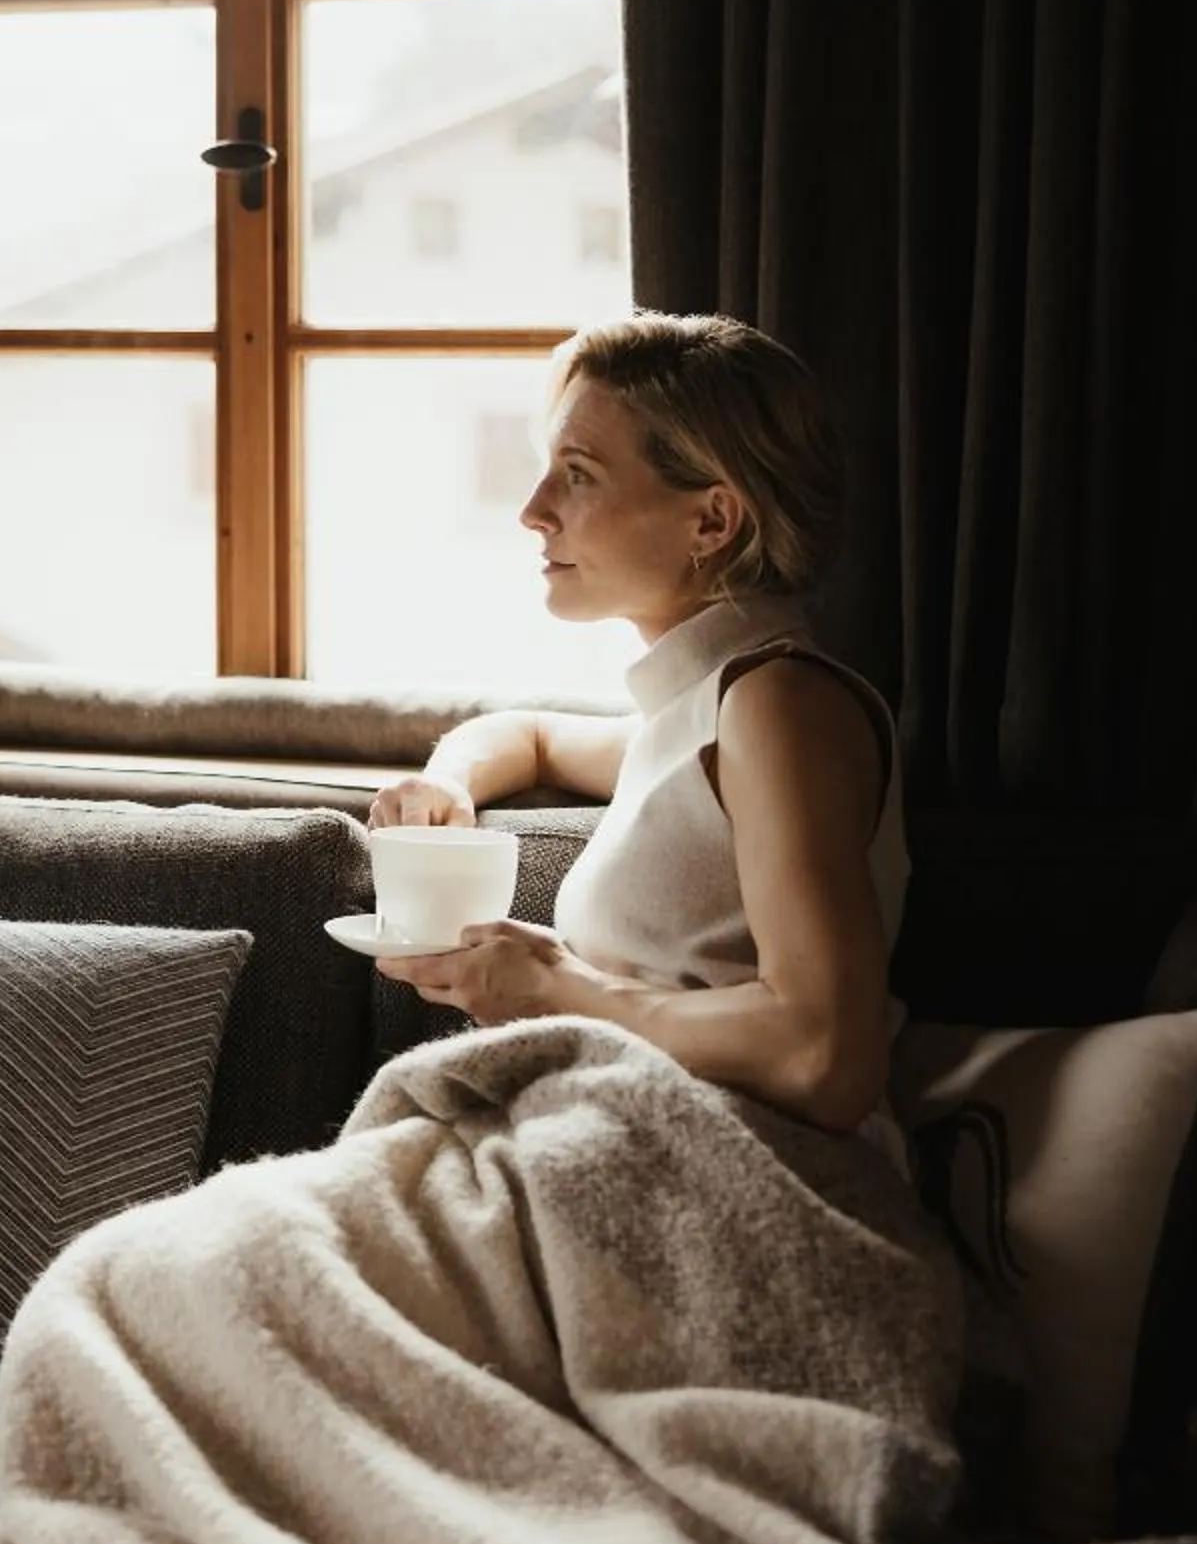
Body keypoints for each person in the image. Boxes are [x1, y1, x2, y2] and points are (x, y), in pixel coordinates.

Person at [369, 309, 911, 1165]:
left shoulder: (778, 704)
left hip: (734, 1165)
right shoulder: (698, 712)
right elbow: (533, 735)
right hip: (629, 1139)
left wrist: (560, 987)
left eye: (577, 475)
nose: (533, 511)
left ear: (712, 522)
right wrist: (449, 782)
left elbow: (828, 1054)